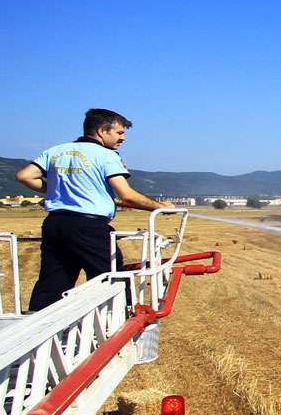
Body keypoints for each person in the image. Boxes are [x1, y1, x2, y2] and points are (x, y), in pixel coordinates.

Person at [15, 108, 173, 312]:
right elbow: (127, 195)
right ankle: (116, 320)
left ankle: (36, 325)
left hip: (55, 224)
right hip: (88, 226)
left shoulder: (56, 151)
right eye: (119, 133)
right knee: (112, 276)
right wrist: (162, 207)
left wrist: (56, 191)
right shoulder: (105, 155)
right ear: (101, 131)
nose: (123, 138)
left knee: (53, 280)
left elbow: (24, 176)